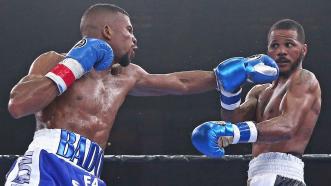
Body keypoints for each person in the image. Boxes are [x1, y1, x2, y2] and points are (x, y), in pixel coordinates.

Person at [5, 3, 279, 185]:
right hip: (48, 162)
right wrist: (74, 65)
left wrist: (228, 73)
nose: (135, 39)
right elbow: (19, 105)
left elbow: (180, 82)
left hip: (88, 173)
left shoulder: (127, 76)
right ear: (108, 31)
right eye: (129, 30)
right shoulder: (53, 59)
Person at [191, 19, 321, 186]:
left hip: (282, 173)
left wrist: (232, 131)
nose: (281, 51)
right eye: (275, 45)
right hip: (257, 173)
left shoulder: (304, 79)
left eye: (289, 45)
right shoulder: (259, 91)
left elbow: (288, 127)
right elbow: (233, 122)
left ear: (303, 50)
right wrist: (230, 90)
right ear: (268, 50)